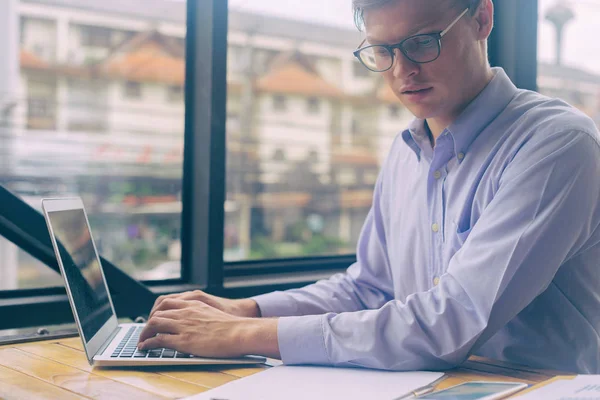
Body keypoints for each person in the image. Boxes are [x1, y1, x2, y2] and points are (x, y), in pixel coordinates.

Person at [137, 0, 600, 373]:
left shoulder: (558, 144)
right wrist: (245, 310)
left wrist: (239, 337)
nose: (403, 71)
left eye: (422, 42)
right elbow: (369, 289)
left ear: (482, 17)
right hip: (439, 387)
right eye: (383, 51)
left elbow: (450, 321)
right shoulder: (407, 150)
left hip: (542, 388)